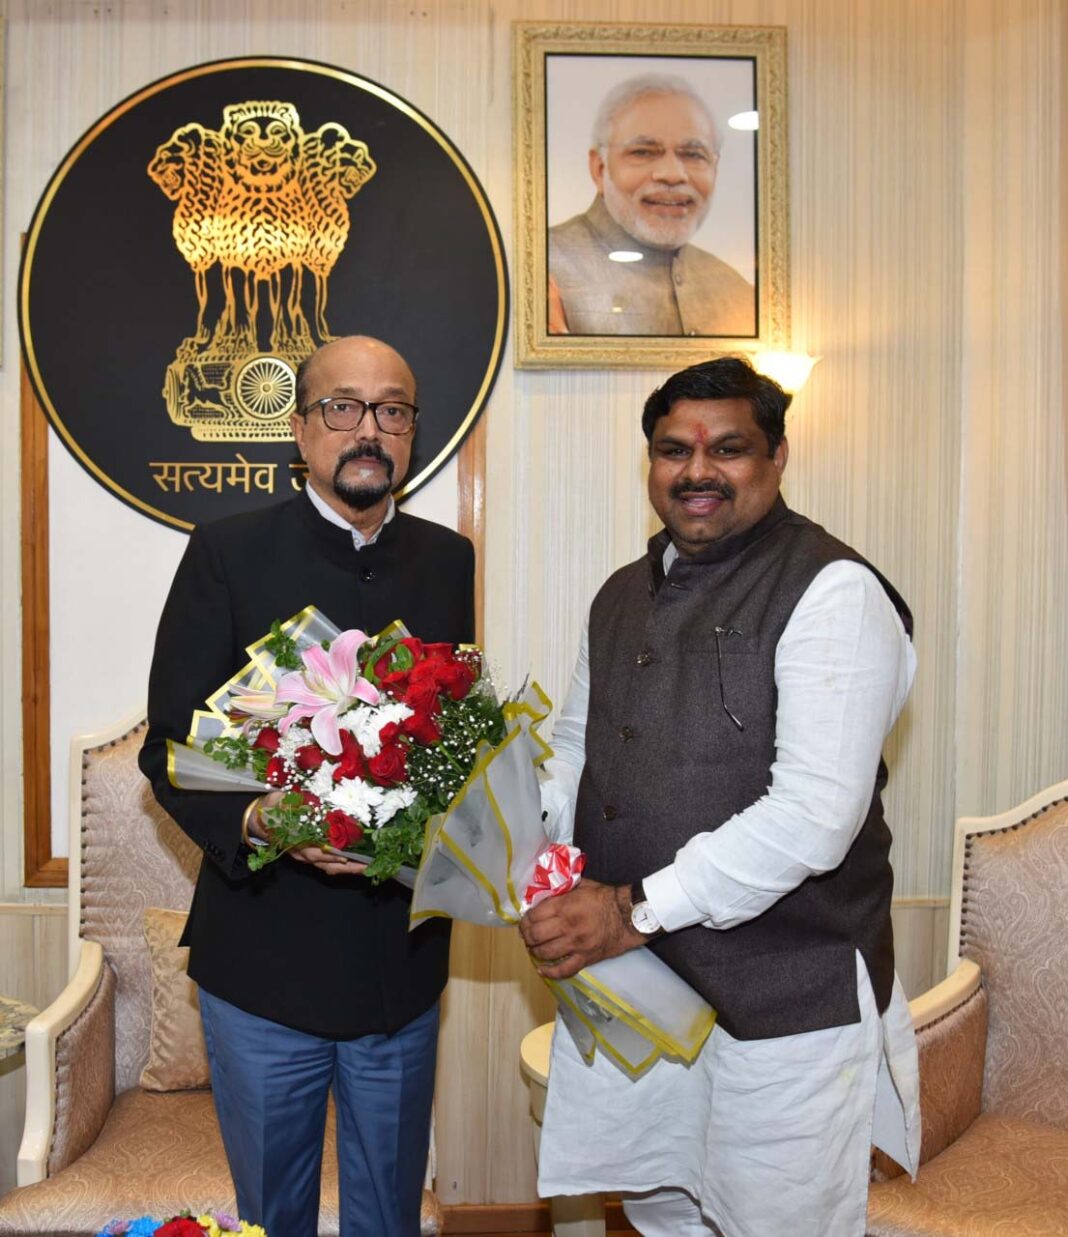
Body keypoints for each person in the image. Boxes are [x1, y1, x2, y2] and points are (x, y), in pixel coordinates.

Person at [520, 356, 920, 1236]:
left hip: (787, 997)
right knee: (662, 1209)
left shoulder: (834, 590)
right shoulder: (619, 594)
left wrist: (627, 910)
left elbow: (812, 818)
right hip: (641, 990)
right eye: (674, 450)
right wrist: (501, 840)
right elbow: (579, 751)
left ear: (777, 456)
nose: (697, 470)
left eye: (728, 448)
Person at [139, 335, 475, 1237]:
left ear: (411, 431)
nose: (369, 429)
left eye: (392, 409)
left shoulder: (447, 559)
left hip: (398, 967)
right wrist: (265, 817)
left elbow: (450, 739)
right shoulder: (228, 552)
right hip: (264, 965)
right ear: (299, 429)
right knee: (273, 1217)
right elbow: (171, 750)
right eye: (343, 406)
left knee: (388, 1218)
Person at [548, 75, 756, 338]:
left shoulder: (737, 292)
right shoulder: (544, 266)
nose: (672, 174)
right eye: (643, 152)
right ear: (599, 168)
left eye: (693, 155)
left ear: (715, 169)